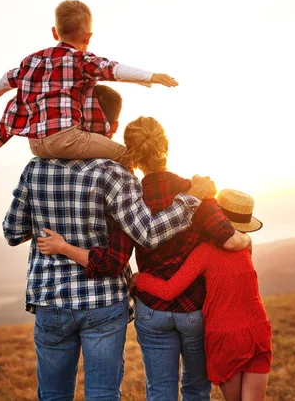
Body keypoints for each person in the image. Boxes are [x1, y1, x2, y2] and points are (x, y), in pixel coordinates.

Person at [3, 84, 216, 401]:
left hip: (49, 298)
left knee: (52, 394)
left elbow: (13, 231)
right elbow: (147, 233)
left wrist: (52, 222)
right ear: (113, 127)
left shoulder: (34, 169)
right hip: (103, 301)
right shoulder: (117, 173)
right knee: (103, 394)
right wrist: (189, 200)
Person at [37, 115, 253, 401]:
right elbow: (229, 240)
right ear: (165, 145)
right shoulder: (197, 193)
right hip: (195, 309)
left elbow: (113, 261)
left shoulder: (129, 197)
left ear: (133, 155)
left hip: (151, 309)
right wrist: (247, 239)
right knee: (196, 390)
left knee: (159, 392)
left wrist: (67, 248)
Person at [0, 0, 178, 164]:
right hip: (66, 139)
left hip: (36, 144)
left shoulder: (32, 61)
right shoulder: (81, 60)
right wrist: (152, 76)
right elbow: (114, 70)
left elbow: (9, 78)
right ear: (88, 37)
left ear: (55, 32)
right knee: (124, 156)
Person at [130, 189, 271, 401]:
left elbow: (170, 291)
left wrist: (139, 279)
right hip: (257, 330)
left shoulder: (204, 252)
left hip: (225, 337)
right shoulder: (246, 244)